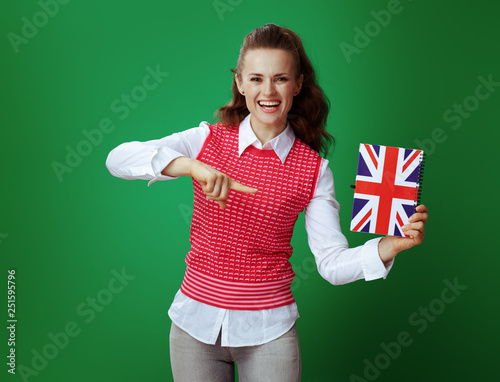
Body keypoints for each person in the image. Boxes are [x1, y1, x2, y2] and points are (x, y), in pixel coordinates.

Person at [105, 23, 428, 382]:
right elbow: (117, 159)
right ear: (240, 84)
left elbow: (332, 265)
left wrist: (391, 246)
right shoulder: (205, 141)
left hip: (269, 333)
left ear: (298, 84)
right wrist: (190, 166)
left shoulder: (314, 169)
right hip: (192, 327)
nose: (268, 91)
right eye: (256, 79)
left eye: (280, 78)